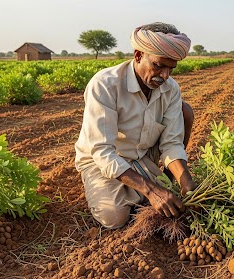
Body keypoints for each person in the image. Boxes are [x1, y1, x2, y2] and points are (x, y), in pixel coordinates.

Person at [74, 22, 196, 229]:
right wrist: (151, 191)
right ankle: (141, 189)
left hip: (143, 156)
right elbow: (103, 152)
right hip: (103, 159)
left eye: (171, 68)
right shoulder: (105, 84)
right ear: (138, 55)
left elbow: (171, 143)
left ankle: (156, 186)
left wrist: (186, 183)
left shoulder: (170, 88)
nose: (165, 75)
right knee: (114, 217)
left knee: (186, 112)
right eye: (158, 65)